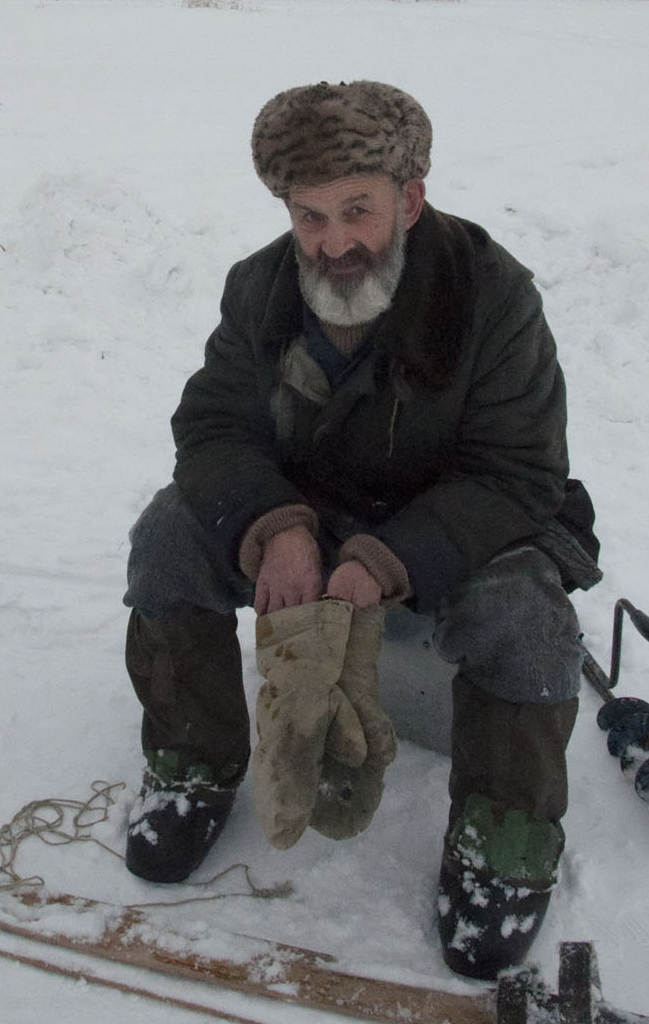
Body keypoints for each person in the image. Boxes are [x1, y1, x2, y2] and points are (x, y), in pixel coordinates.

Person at [123, 80, 599, 978]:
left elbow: (519, 471)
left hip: (447, 527)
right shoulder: (262, 287)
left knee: (530, 615)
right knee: (168, 537)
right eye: (309, 216)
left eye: (356, 212)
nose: (333, 242)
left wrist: (390, 558)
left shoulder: (491, 295)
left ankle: (505, 838)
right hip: (312, 511)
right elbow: (214, 426)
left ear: (408, 200)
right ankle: (193, 759)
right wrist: (278, 526)